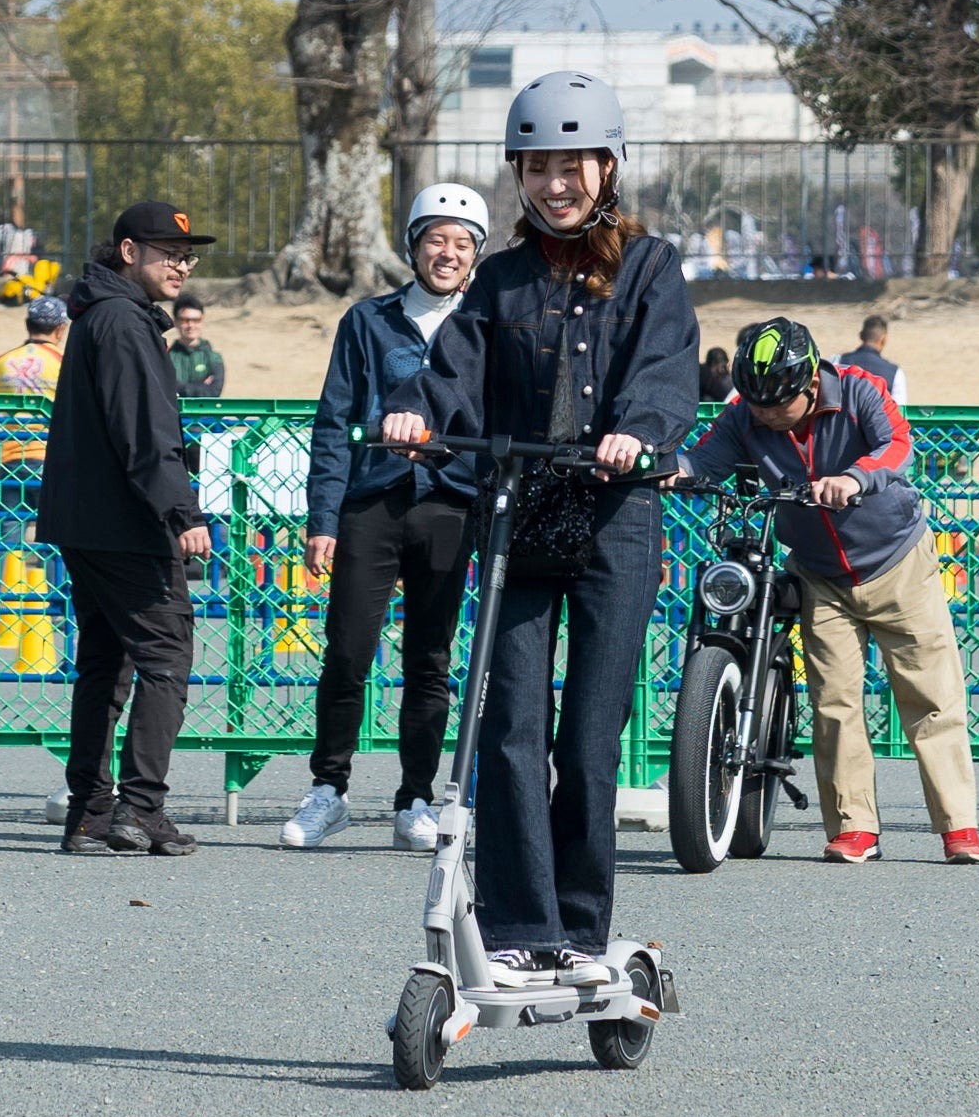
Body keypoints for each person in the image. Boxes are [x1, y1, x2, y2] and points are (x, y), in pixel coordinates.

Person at [382, 71, 699, 987]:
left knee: (588, 736)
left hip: (614, 517)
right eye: (539, 166)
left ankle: (585, 922)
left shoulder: (649, 266)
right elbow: (449, 372)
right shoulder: (497, 281)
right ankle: (525, 924)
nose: (557, 183)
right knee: (511, 723)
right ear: (518, 173)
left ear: (609, 166)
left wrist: (637, 432)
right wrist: (413, 410)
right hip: (520, 514)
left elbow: (667, 369)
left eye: (574, 165)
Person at [675, 317, 979, 865]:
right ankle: (854, 826)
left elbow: (898, 445)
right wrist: (665, 468)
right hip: (821, 574)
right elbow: (703, 460)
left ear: (810, 384)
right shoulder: (745, 412)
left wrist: (856, 477)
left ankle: (958, 826)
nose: (765, 415)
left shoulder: (862, 389)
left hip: (897, 561)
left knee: (931, 697)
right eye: (756, 404)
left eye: (778, 404)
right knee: (834, 702)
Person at [279, 184, 489, 852]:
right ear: (412, 246)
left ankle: (415, 799)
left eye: (461, 243)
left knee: (430, 659)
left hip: (449, 502)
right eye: (436, 239)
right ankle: (328, 790)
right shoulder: (367, 322)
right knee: (347, 651)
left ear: (477, 255)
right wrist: (323, 519)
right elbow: (333, 423)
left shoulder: (486, 325)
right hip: (371, 502)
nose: (447, 253)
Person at [38, 200, 214, 857]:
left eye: (188, 254)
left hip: (88, 521)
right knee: (167, 658)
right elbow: (145, 430)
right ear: (128, 251)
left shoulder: (100, 312)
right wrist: (181, 510)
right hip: (125, 523)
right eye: (167, 251)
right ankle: (139, 809)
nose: (181, 263)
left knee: (105, 665)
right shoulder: (122, 319)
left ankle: (89, 811)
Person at [0, 295, 68, 549]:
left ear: (27, 324)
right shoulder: (62, 361)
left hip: (11, 454)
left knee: (8, 532)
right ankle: (57, 587)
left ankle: (1, 586)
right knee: (59, 532)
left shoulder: (1, 361)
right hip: (49, 456)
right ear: (60, 329)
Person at [167, 293, 226, 475]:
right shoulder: (166, 356)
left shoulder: (213, 357)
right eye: (185, 320)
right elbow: (167, 388)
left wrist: (181, 389)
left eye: (195, 319)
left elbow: (214, 391)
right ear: (176, 322)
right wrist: (200, 386)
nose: (190, 325)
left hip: (208, 432)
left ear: (202, 321)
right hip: (174, 432)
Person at [832, 314, 908, 405]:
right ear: (883, 339)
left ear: (861, 335)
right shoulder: (895, 372)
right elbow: (899, 409)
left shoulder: (837, 361)